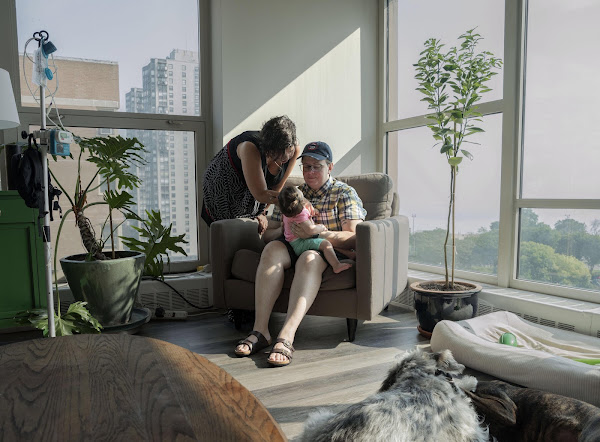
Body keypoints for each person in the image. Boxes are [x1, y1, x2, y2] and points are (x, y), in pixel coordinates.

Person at [234, 141, 367, 366]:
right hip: (291, 246)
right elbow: (269, 235)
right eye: (306, 166)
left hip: (325, 251)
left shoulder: (344, 193)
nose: (310, 172)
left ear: (330, 167)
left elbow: (355, 236)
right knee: (271, 249)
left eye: (316, 166)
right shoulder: (292, 193)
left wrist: (317, 233)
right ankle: (261, 331)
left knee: (309, 258)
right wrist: (283, 228)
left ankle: (286, 336)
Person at [201, 115, 300, 234]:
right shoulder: (249, 147)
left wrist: (262, 213)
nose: (283, 159)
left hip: (251, 196)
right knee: (225, 232)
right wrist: (296, 202)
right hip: (222, 190)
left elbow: (276, 186)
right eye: (277, 154)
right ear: (267, 148)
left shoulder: (294, 151)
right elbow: (261, 194)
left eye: (288, 152)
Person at [277, 185, 352, 274]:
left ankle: (349, 254)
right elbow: (311, 230)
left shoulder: (288, 212)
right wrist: (321, 227)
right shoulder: (300, 215)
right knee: (325, 244)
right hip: (300, 243)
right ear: (301, 201)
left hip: (293, 242)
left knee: (324, 242)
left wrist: (312, 212)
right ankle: (336, 265)